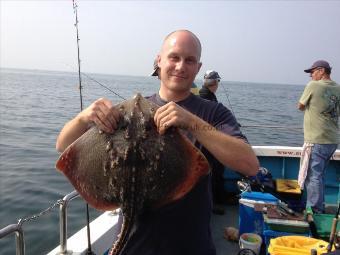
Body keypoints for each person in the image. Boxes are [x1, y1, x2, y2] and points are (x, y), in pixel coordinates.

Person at [56, 30, 259, 255]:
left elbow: (249, 165)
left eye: (189, 60)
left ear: (198, 68)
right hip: (133, 247)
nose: (181, 66)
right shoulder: (122, 116)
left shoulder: (214, 113)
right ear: (159, 61)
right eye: (174, 57)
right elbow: (63, 145)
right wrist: (83, 118)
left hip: (191, 247)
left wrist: (191, 122)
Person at [298, 60, 340, 214]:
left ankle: (315, 211)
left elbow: (300, 106)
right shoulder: (338, 88)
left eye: (313, 71)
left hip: (317, 139)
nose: (311, 75)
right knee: (320, 175)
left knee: (313, 176)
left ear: (322, 71)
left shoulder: (313, 86)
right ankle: (318, 207)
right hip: (332, 140)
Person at [199, 70, 229, 214]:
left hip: (207, 141)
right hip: (207, 144)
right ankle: (213, 203)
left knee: (216, 170)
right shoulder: (207, 97)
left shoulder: (205, 95)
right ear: (215, 83)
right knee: (212, 172)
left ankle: (219, 199)